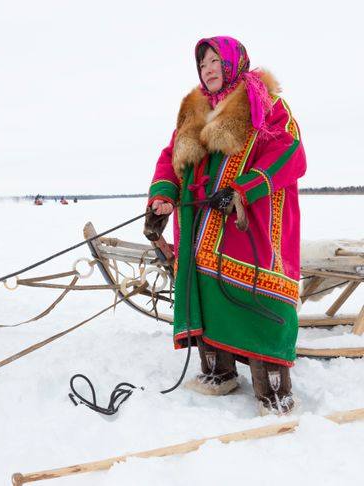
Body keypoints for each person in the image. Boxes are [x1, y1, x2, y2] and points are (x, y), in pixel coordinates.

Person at [144, 36, 306, 415]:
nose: (209, 69)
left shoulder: (265, 104)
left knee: (255, 296)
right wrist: (164, 195)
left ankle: (274, 390)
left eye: (215, 60)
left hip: (249, 221)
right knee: (205, 288)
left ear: (234, 62)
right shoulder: (193, 112)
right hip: (199, 222)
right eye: (202, 64)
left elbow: (290, 152)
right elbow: (171, 158)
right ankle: (219, 371)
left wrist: (242, 190)